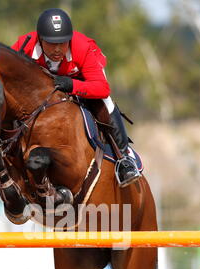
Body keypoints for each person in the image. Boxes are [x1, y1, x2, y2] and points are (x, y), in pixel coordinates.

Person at [12, 8, 141, 188]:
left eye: (63, 43)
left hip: (79, 77)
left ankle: (124, 158)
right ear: (40, 40)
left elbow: (102, 88)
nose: (58, 49)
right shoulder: (24, 46)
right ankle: (2, 161)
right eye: (51, 43)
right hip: (41, 84)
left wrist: (73, 85)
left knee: (104, 102)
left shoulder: (82, 47)